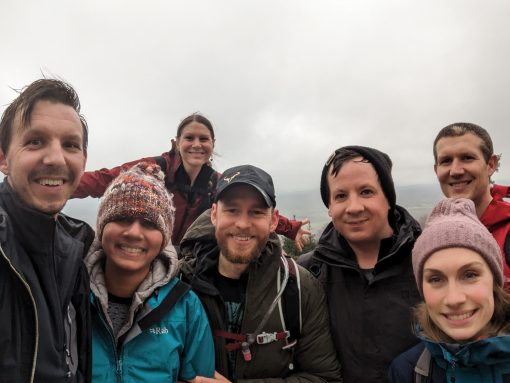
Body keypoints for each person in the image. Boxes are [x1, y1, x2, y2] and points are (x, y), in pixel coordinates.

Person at [178, 165, 342, 382]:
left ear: (273, 220)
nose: (243, 224)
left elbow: (324, 377)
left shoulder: (300, 287)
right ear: (215, 214)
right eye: (232, 210)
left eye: (256, 212)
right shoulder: (179, 284)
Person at [72, 113, 310, 248]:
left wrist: (291, 229)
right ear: (177, 143)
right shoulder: (153, 170)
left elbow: (242, 211)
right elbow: (106, 180)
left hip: (186, 260)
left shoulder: (215, 183)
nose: (197, 144)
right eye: (189, 138)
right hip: (148, 250)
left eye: (203, 139)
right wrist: (65, 185)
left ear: (212, 145)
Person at [299, 146, 422, 383]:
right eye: (340, 196)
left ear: (388, 199)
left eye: (366, 192)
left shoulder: (425, 262)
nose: (354, 207)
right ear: (330, 207)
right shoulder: (309, 271)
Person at [85, 162, 214, 382]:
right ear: (101, 227)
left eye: (149, 223)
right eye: (122, 218)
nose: (134, 233)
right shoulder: (68, 295)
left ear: (164, 237)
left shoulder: (186, 307)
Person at [0, 79, 94, 382]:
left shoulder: (76, 250)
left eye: (70, 145)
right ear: (3, 157)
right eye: (35, 141)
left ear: (83, 160)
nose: (56, 158)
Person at [389, 197, 510, 382]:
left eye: (470, 275)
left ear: (494, 280)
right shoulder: (407, 372)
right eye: (436, 279)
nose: (454, 299)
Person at [433, 122, 510, 289]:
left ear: (490, 165)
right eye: (446, 161)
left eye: (467, 158)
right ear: (436, 170)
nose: (455, 171)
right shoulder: (435, 238)